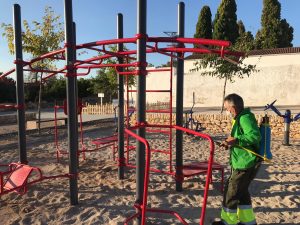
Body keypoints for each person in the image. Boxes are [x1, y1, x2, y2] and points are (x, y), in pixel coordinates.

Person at [212, 93, 261, 225]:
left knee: (231, 192)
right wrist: (230, 143)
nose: (227, 111)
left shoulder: (245, 118)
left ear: (233, 108)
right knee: (242, 192)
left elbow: (255, 136)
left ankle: (227, 222)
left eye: (227, 109)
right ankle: (248, 222)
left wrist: (237, 139)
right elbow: (241, 139)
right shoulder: (240, 117)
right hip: (242, 161)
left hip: (245, 162)